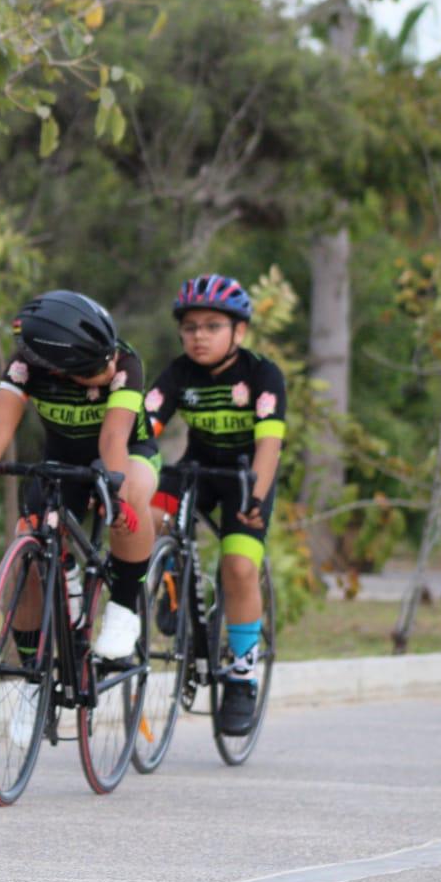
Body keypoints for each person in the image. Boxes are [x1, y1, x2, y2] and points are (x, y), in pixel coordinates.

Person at [0, 290, 157, 663]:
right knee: (27, 543)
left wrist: (115, 492)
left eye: (108, 359)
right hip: (61, 461)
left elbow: (113, 437)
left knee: (132, 490)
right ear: (57, 369)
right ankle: (31, 674)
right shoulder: (26, 366)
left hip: (126, 453)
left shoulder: (124, 364)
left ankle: (124, 608)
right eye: (94, 370)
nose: (108, 371)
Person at [146, 274, 286, 737]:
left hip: (246, 476)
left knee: (240, 567)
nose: (198, 336)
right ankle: (170, 585)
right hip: (196, 467)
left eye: (211, 326)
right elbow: (145, 425)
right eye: (189, 327)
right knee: (146, 514)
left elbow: (270, 446)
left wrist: (257, 497)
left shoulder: (262, 375)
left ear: (238, 332)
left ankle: (242, 677)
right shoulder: (177, 373)